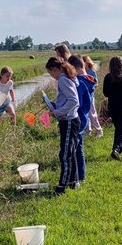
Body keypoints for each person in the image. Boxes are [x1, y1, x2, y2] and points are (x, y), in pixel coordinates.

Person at [46, 57, 81, 194]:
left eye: (50, 73)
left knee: (65, 154)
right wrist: (57, 106)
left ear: (55, 69)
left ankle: (62, 186)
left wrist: (57, 112)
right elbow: (67, 99)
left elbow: (74, 101)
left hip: (68, 120)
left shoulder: (62, 79)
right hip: (70, 119)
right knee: (70, 152)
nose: (52, 76)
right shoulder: (67, 77)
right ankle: (74, 181)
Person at [68, 55, 91, 183]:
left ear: (74, 68)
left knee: (74, 149)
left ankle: (75, 178)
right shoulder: (88, 79)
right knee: (79, 149)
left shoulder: (80, 83)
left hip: (78, 118)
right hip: (84, 117)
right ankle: (81, 177)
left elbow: (77, 103)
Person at [83, 55, 105, 138]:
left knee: (92, 114)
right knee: (85, 114)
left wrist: (89, 85)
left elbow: (96, 84)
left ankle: (99, 130)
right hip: (83, 96)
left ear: (87, 62)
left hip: (90, 96)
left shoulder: (92, 72)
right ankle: (88, 131)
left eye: (83, 62)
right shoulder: (82, 72)